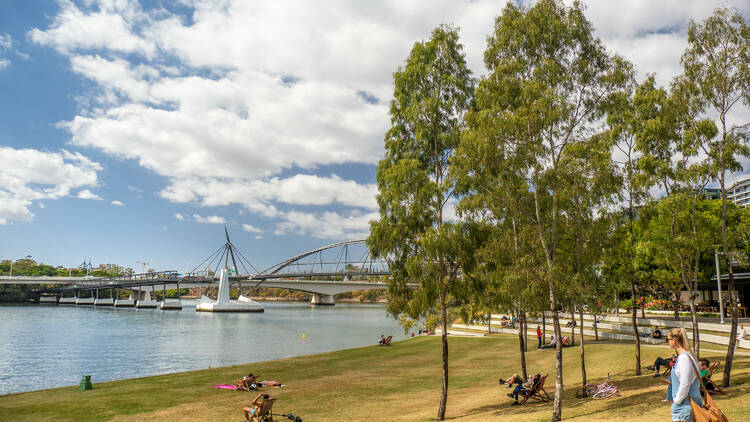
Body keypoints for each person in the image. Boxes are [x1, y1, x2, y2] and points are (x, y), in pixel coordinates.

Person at [664, 328, 702, 422]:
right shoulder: (688, 356)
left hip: (684, 407)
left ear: (675, 340)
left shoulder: (684, 359)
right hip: (688, 405)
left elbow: (685, 384)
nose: (667, 342)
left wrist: (676, 402)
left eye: (668, 339)